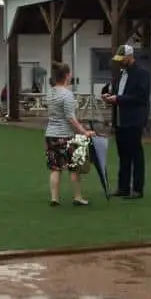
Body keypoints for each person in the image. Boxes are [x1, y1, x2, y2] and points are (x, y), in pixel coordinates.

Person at [102, 44, 150, 200]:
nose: (120, 62)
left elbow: (141, 98)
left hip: (134, 120)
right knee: (123, 155)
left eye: (123, 59)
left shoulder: (142, 74)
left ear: (130, 57)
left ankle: (137, 188)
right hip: (120, 120)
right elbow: (117, 92)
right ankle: (123, 187)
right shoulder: (121, 74)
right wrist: (109, 96)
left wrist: (119, 99)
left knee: (136, 154)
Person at [44, 61, 95, 207]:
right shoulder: (67, 95)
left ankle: (54, 198)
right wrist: (84, 132)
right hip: (65, 135)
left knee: (55, 168)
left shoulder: (50, 93)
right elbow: (71, 118)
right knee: (74, 167)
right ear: (67, 75)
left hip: (50, 134)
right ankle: (78, 197)